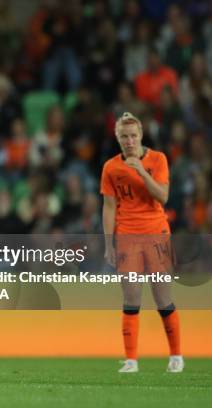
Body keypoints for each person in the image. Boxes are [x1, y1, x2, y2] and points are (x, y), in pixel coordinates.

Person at [101, 112, 183, 373]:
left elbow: (163, 196)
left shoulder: (158, 160)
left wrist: (141, 172)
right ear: (118, 138)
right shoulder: (111, 167)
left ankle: (176, 355)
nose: (129, 141)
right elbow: (109, 207)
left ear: (141, 135)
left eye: (133, 135)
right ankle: (132, 360)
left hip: (156, 233)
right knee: (131, 297)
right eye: (124, 136)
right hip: (127, 236)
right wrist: (107, 243)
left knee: (162, 298)